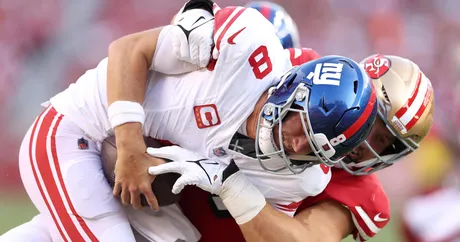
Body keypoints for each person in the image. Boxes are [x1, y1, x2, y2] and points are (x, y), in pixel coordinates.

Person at [0, 2, 377, 242]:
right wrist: (130, 146)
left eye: (316, 148)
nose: (297, 147)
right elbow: (128, 49)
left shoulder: (303, 176)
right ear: (293, 89)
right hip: (75, 130)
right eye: (303, 129)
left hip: (153, 196)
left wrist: (231, 185)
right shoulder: (248, 44)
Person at [153, 1, 435, 242]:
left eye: (385, 143)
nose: (367, 145)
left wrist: (231, 184)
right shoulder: (296, 81)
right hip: (161, 195)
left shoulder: (360, 190)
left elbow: (305, 238)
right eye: (372, 125)